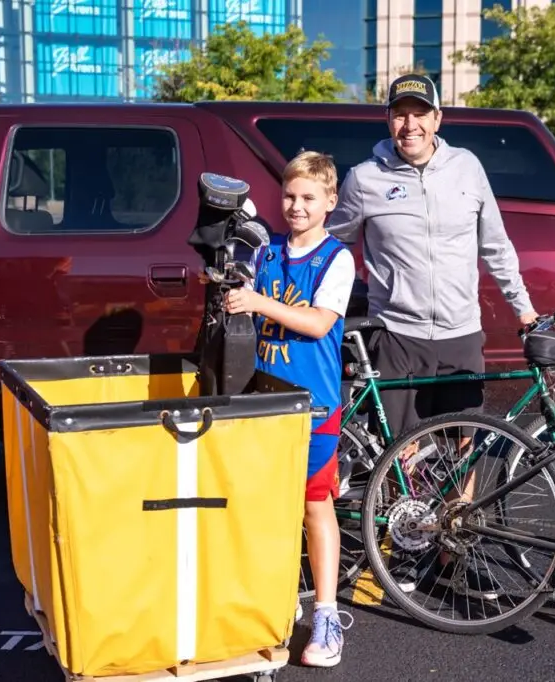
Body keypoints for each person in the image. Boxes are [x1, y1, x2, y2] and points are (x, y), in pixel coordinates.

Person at [326, 73, 539, 598]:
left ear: (438, 119)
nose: (410, 123)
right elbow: (329, 242)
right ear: (389, 121)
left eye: (420, 113)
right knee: (404, 451)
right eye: (400, 113)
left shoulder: (466, 168)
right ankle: (403, 550)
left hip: (462, 332)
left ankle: (452, 554)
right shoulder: (365, 178)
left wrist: (525, 310)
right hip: (398, 331)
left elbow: (496, 246)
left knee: (460, 449)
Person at [223, 151, 354, 668]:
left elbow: (320, 323)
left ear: (330, 202)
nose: (296, 206)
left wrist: (257, 303)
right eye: (289, 197)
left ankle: (325, 613)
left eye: (308, 198)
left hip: (313, 404)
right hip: (261, 401)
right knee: (259, 508)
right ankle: (264, 605)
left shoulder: (336, 258)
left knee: (314, 505)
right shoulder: (265, 249)